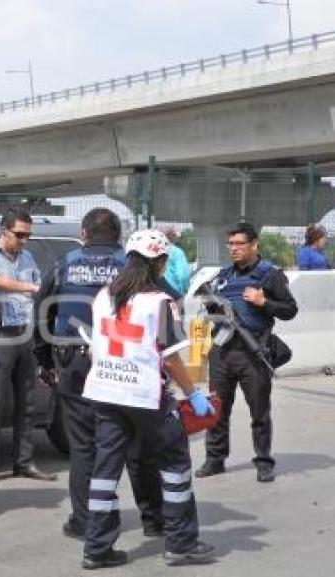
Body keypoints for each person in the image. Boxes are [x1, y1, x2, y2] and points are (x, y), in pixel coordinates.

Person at [80, 229, 215, 569]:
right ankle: (181, 543)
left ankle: (96, 548)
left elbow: (96, 346)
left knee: (104, 470)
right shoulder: (160, 302)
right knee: (175, 466)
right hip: (145, 396)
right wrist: (194, 394)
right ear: (161, 262)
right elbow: (170, 358)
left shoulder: (103, 296)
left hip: (105, 392)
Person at [36, 208, 163, 541]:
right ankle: (153, 519)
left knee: (83, 446)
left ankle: (85, 521)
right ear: (118, 235)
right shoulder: (133, 266)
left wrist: (45, 360)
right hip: (127, 363)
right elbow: (164, 310)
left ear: (84, 232)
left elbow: (41, 311)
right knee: (137, 443)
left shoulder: (64, 264)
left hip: (74, 361)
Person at [196, 222, 298, 483]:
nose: (234, 249)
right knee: (217, 409)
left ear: (254, 245)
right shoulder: (223, 275)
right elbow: (209, 306)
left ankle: (263, 462)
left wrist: (263, 302)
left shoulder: (269, 275)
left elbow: (290, 309)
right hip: (221, 351)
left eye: (240, 244)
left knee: (259, 411)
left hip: (253, 351)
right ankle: (215, 459)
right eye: (230, 244)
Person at [0, 208, 56, 486]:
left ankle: (24, 462)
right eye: (20, 235)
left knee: (27, 403)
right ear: (4, 231)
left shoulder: (27, 257)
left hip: (25, 333)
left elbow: (37, 286)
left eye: (28, 236)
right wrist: (30, 288)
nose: (24, 241)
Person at [161, 227, 191, 296]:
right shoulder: (177, 252)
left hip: (158, 292)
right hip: (174, 293)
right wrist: (184, 290)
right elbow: (183, 275)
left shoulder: (157, 252)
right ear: (174, 238)